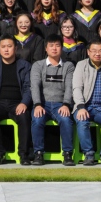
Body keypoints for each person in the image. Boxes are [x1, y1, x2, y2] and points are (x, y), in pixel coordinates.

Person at [0, 35, 33, 165]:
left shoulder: (25, 65)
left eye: (9, 46)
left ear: (15, 48)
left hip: (17, 103)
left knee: (24, 115)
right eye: (3, 47)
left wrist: (24, 103)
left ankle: (23, 154)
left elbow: (29, 87)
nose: (6, 49)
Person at [30, 34, 76, 166]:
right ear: (46, 48)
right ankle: (38, 153)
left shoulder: (68, 66)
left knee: (66, 120)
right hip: (42, 104)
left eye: (57, 45)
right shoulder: (38, 65)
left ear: (62, 48)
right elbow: (35, 86)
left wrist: (66, 104)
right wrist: (37, 104)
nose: (54, 48)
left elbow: (69, 87)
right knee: (37, 120)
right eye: (51, 45)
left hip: (60, 104)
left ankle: (67, 154)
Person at [72, 39, 101, 166]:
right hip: (85, 106)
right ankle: (88, 154)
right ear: (88, 52)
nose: (97, 54)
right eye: (94, 51)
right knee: (82, 120)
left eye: (100, 51)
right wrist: (81, 107)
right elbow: (77, 88)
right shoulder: (81, 65)